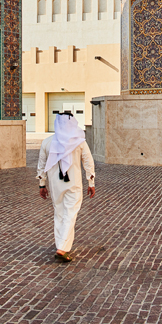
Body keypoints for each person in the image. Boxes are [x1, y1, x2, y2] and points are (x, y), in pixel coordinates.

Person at [37, 112, 96, 262]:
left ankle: (60, 244)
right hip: (73, 184)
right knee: (70, 214)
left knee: (59, 213)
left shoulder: (47, 142)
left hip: (55, 184)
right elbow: (88, 162)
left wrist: (42, 184)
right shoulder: (79, 142)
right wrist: (91, 182)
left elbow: (41, 165)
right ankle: (62, 248)